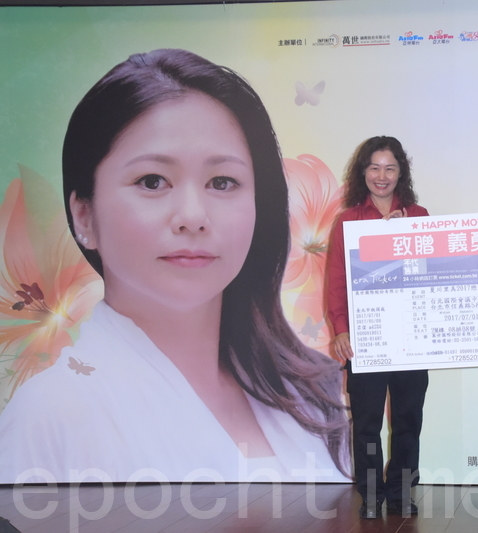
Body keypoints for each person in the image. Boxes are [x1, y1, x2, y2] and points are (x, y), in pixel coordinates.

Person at [0, 49, 349, 483]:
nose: (193, 216)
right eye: (152, 182)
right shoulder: (49, 415)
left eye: (222, 182)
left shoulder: (310, 393)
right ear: (84, 215)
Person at [325, 136, 429, 519]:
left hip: (411, 336)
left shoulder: (418, 216)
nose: (381, 176)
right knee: (367, 423)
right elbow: (336, 280)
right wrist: (340, 328)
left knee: (408, 420)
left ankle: (401, 492)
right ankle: (370, 495)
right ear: (363, 172)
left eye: (390, 168)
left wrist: (404, 236)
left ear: (401, 173)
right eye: (374, 167)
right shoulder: (348, 221)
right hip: (365, 337)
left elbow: (432, 273)